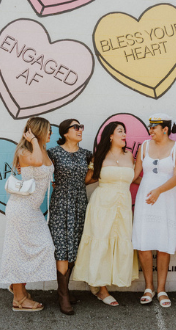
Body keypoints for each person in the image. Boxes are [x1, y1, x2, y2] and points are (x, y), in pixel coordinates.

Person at [73, 121, 138, 307]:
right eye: (120, 131)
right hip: (102, 204)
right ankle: (100, 289)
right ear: (110, 136)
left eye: (125, 131)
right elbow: (87, 179)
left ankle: (100, 283)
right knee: (101, 241)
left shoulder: (129, 156)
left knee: (117, 241)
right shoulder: (99, 156)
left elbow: (136, 177)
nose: (124, 134)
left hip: (122, 206)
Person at [0, 117, 56, 312]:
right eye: (47, 131)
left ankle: (18, 287)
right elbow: (39, 163)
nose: (50, 134)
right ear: (37, 132)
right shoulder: (25, 151)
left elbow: (45, 170)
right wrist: (32, 140)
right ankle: (19, 299)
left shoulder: (42, 149)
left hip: (32, 210)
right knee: (18, 251)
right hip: (21, 209)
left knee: (41, 247)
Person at [132, 114, 176, 307]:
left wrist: (158, 190)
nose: (150, 130)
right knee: (144, 243)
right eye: (150, 127)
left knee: (164, 244)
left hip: (166, 199)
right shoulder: (144, 147)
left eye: (154, 127)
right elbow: (136, 174)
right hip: (145, 199)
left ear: (165, 129)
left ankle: (162, 289)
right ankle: (148, 287)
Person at [46, 119, 91, 315]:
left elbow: (97, 175)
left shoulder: (87, 154)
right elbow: (39, 168)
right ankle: (63, 295)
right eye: (76, 127)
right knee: (62, 245)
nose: (80, 130)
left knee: (74, 245)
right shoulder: (53, 153)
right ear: (65, 132)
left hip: (80, 202)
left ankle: (63, 289)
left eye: (81, 127)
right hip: (60, 202)